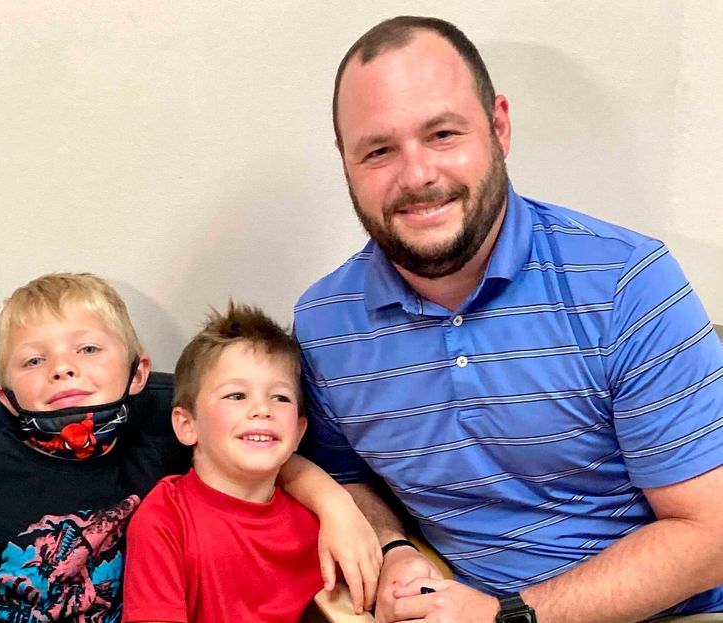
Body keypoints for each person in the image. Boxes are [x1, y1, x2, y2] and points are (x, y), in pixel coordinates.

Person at [294, 15, 723, 623]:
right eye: (379, 149)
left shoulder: (627, 284)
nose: (417, 175)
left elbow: (711, 535)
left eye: (442, 134)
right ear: (346, 160)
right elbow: (345, 480)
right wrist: (392, 548)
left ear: (499, 126)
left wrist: (509, 616)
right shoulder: (325, 323)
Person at [0, 273, 378, 623]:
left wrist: (337, 506)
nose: (63, 367)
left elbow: (259, 455)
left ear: (138, 373)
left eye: (88, 348)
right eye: (33, 360)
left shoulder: (161, 458)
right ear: (6, 397)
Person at [122, 302, 378, 623]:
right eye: (237, 396)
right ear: (188, 425)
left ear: (299, 431)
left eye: (280, 397)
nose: (262, 409)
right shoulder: (164, 520)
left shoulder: (321, 519)